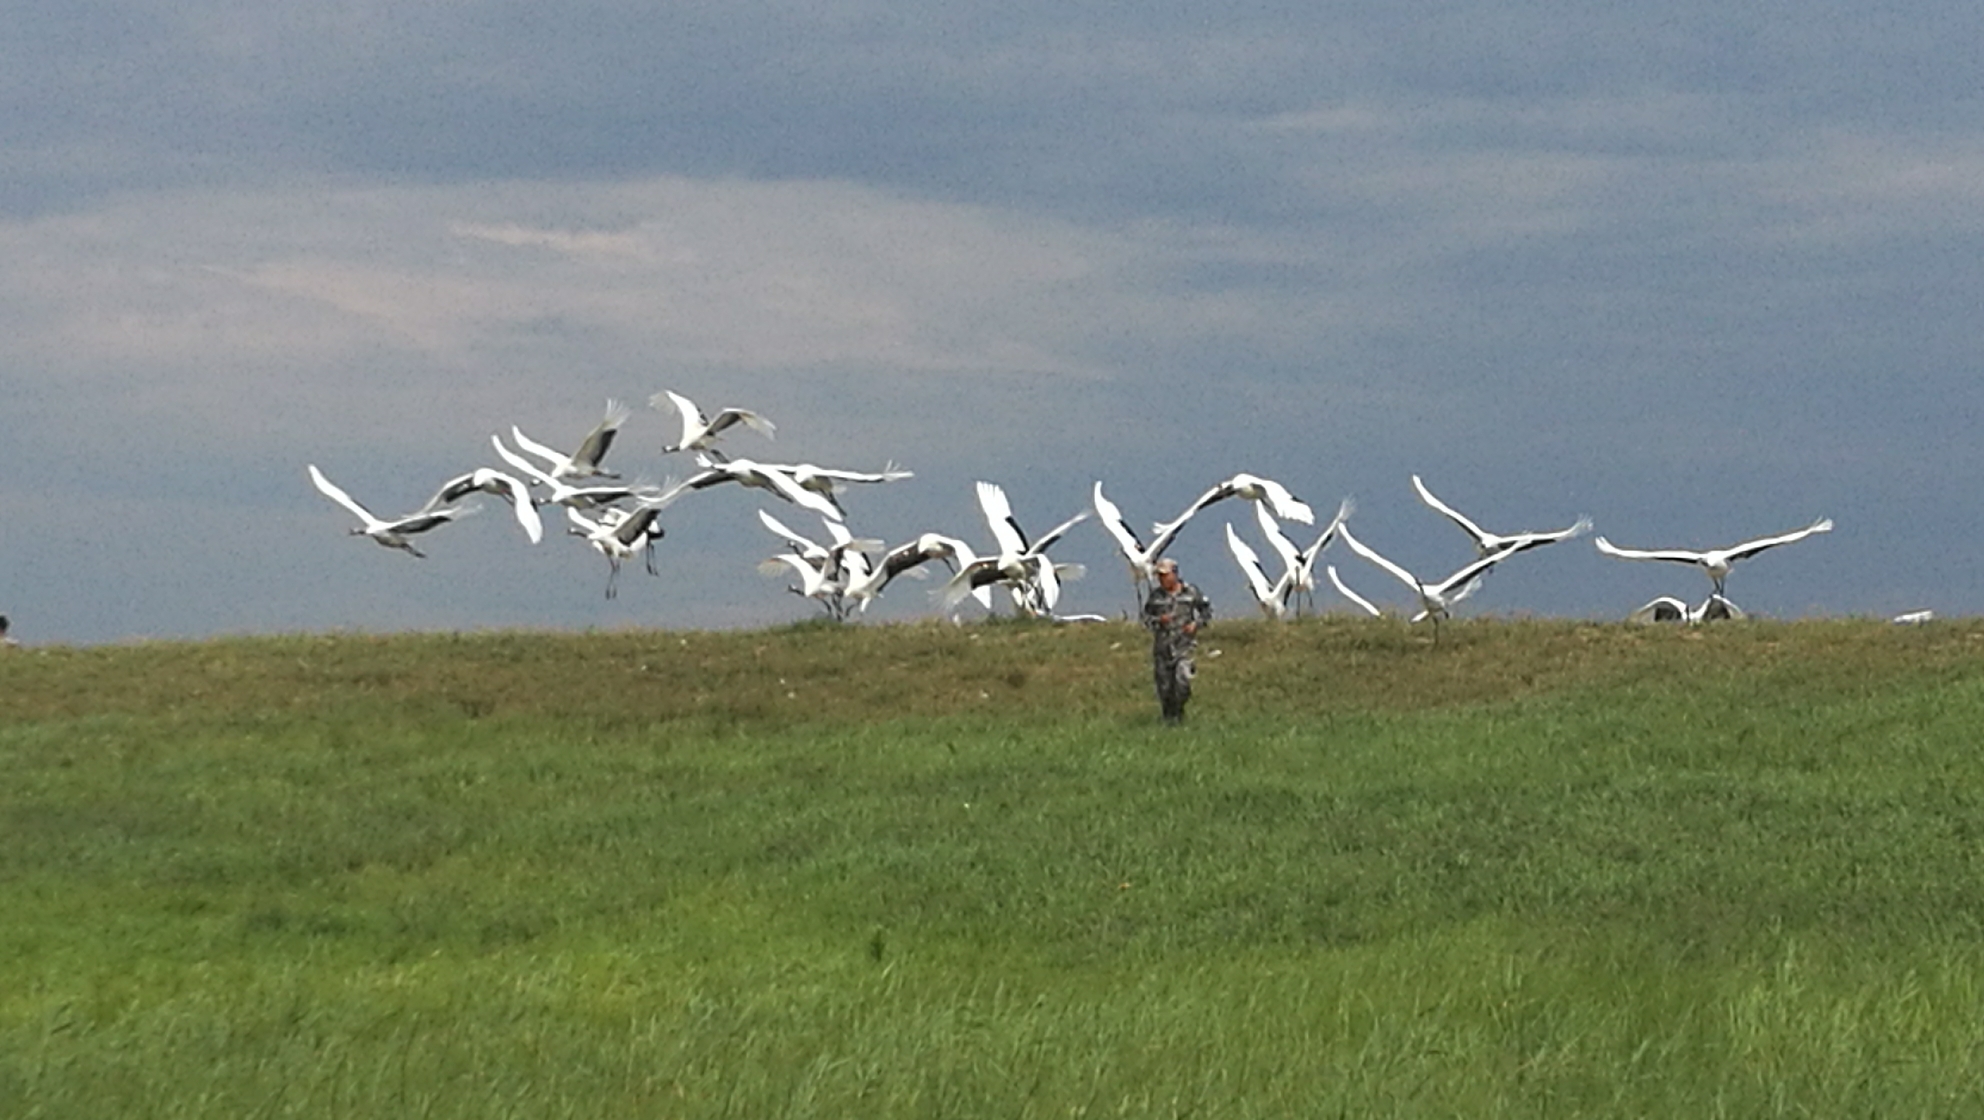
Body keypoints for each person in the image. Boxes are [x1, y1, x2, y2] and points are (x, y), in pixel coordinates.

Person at [1141, 559, 1212, 724]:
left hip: (1184, 647)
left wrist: (1196, 624)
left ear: (1174, 574)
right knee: (1164, 688)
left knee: (1182, 682)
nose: (1161, 579)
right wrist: (1159, 620)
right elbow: (1145, 618)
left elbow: (1206, 611)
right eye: (1159, 576)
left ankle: (1179, 711)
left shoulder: (1191, 592)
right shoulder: (1156, 596)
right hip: (1162, 648)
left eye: (1165, 575)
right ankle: (1169, 718)